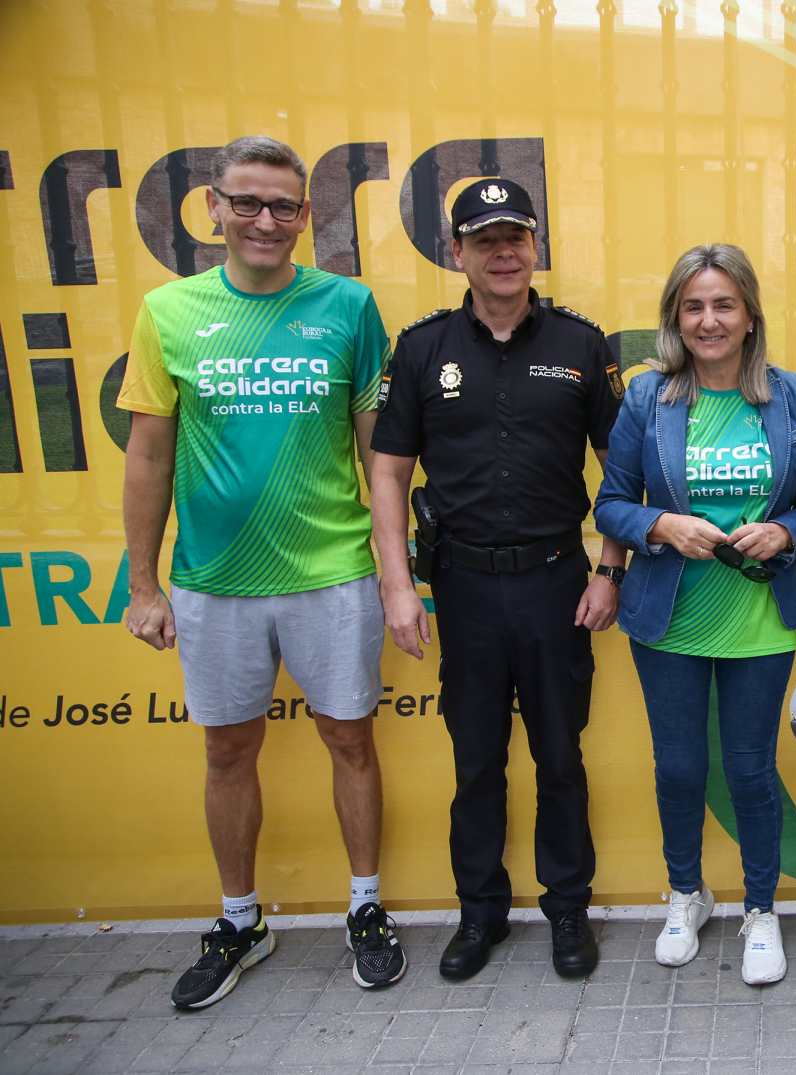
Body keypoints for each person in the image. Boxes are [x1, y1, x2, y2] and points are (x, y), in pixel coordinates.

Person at [119, 135, 406, 1008]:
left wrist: (395, 573)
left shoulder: (349, 305)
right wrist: (143, 583)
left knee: (350, 738)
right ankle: (241, 919)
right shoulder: (168, 311)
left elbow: (378, 457)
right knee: (226, 749)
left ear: (305, 216)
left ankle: (365, 907)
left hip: (332, 571)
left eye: (283, 205)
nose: (265, 220)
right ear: (213, 209)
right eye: (246, 202)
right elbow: (148, 455)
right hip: (214, 580)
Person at [369, 177, 624, 983]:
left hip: (556, 582)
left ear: (535, 246)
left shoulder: (582, 347)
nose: (503, 251)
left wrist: (611, 566)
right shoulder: (420, 350)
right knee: (476, 760)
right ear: (458, 254)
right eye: (484, 240)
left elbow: (620, 470)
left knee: (560, 755)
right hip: (466, 587)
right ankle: (480, 913)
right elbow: (387, 472)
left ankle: (567, 911)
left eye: (515, 236)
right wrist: (397, 587)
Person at [594, 244, 796, 986]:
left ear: (749, 314)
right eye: (693, 306)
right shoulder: (647, 399)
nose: (708, 320)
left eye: (723, 304)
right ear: (675, 317)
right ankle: (686, 893)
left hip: (759, 615)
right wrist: (661, 526)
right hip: (670, 618)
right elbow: (608, 503)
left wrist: (788, 531)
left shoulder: (789, 397)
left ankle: (760, 907)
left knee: (752, 769)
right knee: (680, 767)